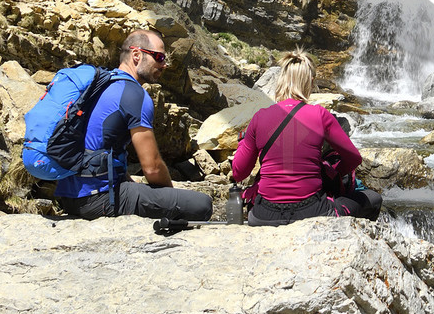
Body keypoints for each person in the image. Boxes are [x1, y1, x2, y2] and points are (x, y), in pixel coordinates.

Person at [54, 29, 213, 221]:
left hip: (69, 197)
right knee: (202, 204)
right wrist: (169, 200)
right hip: (99, 200)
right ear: (137, 55)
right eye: (159, 57)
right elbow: (152, 168)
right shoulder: (135, 95)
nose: (165, 65)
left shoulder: (101, 83)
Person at [231, 51, 382, 225]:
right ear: (309, 82)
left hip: (264, 214)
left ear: (280, 80)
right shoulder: (320, 114)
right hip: (313, 212)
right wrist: (332, 173)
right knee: (373, 198)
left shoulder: (259, 117)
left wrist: (243, 142)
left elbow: (239, 172)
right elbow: (353, 158)